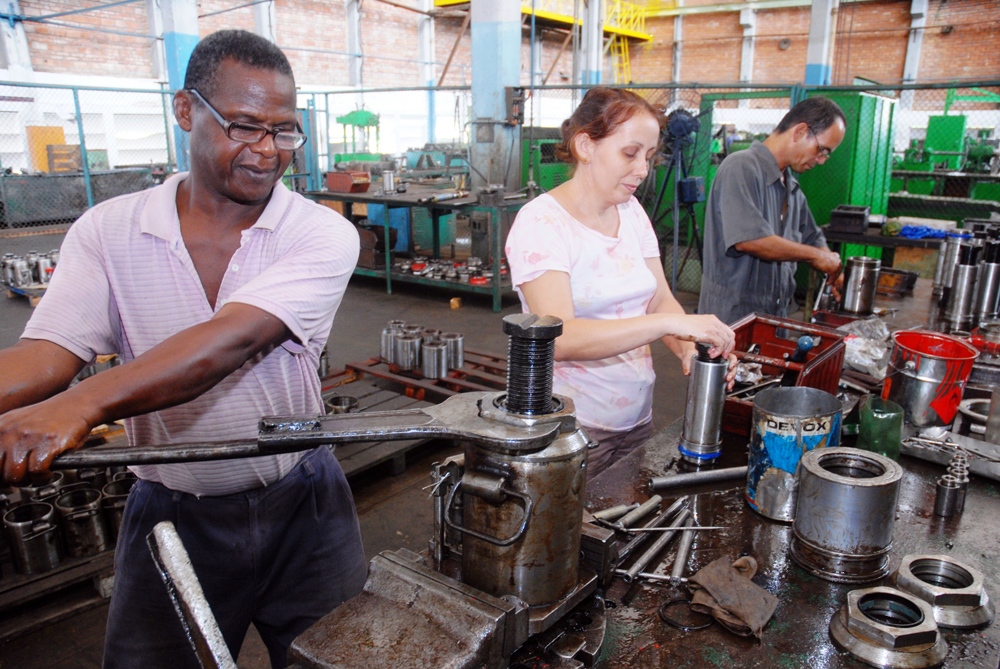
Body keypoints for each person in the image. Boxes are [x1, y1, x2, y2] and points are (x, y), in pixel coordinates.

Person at [0, 31, 367, 668]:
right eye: (245, 126)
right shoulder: (109, 230)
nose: (266, 152)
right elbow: (48, 354)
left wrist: (81, 405)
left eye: (284, 131)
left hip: (303, 505)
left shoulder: (320, 233)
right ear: (186, 111)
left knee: (337, 659)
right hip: (169, 513)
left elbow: (230, 341)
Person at [505, 87, 736, 479]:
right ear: (585, 146)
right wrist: (667, 325)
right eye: (630, 154)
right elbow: (559, 338)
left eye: (648, 157)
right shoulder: (541, 224)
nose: (643, 170)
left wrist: (689, 348)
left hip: (637, 419)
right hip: (572, 429)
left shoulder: (630, 213)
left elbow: (659, 299)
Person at [699, 96, 847, 325]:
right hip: (731, 324)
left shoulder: (792, 189)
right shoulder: (741, 168)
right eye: (821, 150)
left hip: (774, 320)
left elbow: (812, 235)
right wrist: (817, 256)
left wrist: (833, 269)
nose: (821, 161)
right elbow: (751, 240)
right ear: (800, 132)